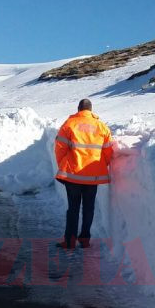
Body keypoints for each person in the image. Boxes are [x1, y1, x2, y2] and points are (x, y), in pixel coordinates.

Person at [54, 98, 114, 249]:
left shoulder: (69, 124)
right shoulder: (102, 126)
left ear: (79, 109)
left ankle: (70, 241)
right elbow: (108, 152)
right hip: (92, 177)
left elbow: (60, 148)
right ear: (91, 110)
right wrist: (100, 166)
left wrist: (63, 165)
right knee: (89, 207)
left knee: (73, 208)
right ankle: (85, 239)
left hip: (72, 175)